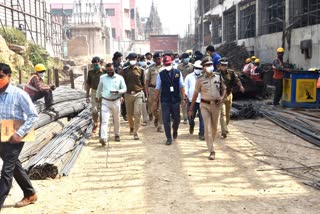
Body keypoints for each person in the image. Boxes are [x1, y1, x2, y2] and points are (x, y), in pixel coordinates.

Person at [0, 63, 38, 210]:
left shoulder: (19, 94)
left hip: (16, 133)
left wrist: (19, 133)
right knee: (14, 165)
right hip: (2, 132)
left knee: (7, 169)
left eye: (1, 76)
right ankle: (30, 194)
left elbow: (33, 116)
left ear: (9, 76)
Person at [189, 56, 226, 160]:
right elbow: (195, 95)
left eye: (211, 64)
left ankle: (210, 143)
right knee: (208, 128)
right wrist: (191, 109)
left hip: (216, 106)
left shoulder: (218, 77)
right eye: (208, 65)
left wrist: (222, 97)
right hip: (204, 106)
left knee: (215, 128)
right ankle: (212, 150)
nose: (210, 66)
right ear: (203, 68)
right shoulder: (200, 80)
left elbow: (224, 89)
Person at [152, 56, 186, 145]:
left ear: (172, 63)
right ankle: (168, 138)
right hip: (165, 100)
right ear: (164, 64)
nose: (168, 65)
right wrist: (155, 101)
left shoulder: (178, 73)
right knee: (166, 119)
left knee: (177, 119)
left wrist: (183, 98)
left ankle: (175, 129)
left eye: (169, 64)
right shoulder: (161, 74)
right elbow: (158, 88)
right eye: (166, 64)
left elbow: (181, 86)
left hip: (175, 100)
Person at [96, 63, 127, 145]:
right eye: (108, 70)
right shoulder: (102, 78)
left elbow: (124, 89)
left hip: (116, 101)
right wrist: (97, 96)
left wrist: (118, 92)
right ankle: (103, 138)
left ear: (114, 69)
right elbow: (99, 88)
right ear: (106, 70)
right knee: (104, 121)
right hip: (105, 101)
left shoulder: (120, 78)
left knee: (116, 119)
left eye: (111, 70)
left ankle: (117, 134)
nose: (110, 72)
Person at [217, 57, 245, 138]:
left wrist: (241, 86)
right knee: (222, 114)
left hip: (229, 95)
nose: (224, 66)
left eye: (225, 65)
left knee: (228, 113)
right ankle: (224, 130)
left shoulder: (231, 73)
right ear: (219, 65)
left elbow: (237, 80)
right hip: (221, 96)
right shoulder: (216, 74)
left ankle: (226, 126)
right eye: (222, 65)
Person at [121, 53, 145, 140]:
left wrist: (145, 95)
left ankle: (136, 132)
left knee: (137, 113)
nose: (132, 60)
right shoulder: (124, 70)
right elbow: (121, 83)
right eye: (131, 58)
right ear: (128, 59)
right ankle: (131, 127)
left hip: (138, 94)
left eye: (134, 58)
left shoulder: (141, 70)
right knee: (130, 114)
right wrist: (121, 95)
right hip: (127, 94)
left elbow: (143, 83)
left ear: (137, 59)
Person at [184, 60, 204, 140]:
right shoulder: (189, 77)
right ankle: (191, 125)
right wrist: (186, 95)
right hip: (192, 100)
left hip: (202, 100)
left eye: (199, 68)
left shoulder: (204, 77)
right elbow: (186, 87)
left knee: (202, 118)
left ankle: (201, 133)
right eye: (196, 68)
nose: (198, 69)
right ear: (194, 68)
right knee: (190, 117)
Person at [86, 56, 104, 133]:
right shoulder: (90, 72)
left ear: (100, 62)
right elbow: (88, 84)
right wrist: (87, 94)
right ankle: (95, 123)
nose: (96, 64)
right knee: (94, 110)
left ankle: (102, 126)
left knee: (103, 111)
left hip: (103, 93)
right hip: (94, 92)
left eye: (97, 62)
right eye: (94, 62)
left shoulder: (104, 72)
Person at [146, 52, 163, 132]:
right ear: (154, 59)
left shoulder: (165, 67)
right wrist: (147, 92)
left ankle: (160, 124)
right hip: (153, 89)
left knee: (161, 108)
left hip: (162, 90)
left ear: (161, 58)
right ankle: (155, 117)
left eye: (159, 58)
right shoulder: (150, 68)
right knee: (153, 108)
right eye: (156, 59)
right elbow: (147, 81)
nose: (158, 60)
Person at [178, 53, 193, 124]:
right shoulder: (179, 67)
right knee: (183, 102)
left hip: (190, 86)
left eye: (188, 57)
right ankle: (185, 118)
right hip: (182, 87)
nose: (187, 59)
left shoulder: (191, 67)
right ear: (182, 59)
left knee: (190, 102)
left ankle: (190, 116)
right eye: (185, 58)